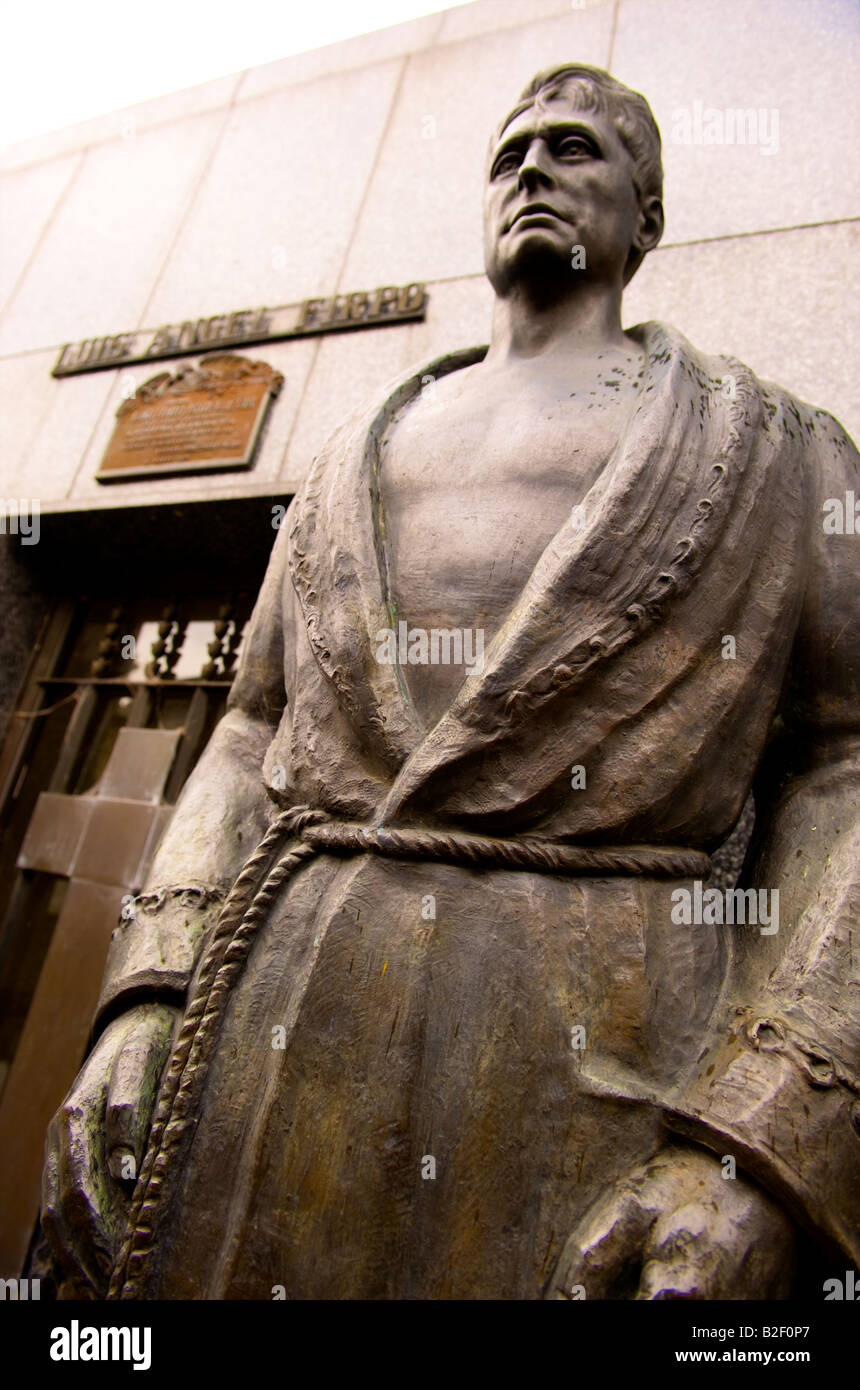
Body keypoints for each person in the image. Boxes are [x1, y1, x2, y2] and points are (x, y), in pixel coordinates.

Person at [43, 64, 859, 1301]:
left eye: (575, 148)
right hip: (279, 1030)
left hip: (603, 1047)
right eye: (508, 151)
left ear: (646, 220)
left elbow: (846, 772)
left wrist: (759, 1147)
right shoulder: (342, 460)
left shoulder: (781, 451)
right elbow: (244, 728)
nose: (530, 168)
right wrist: (142, 1000)